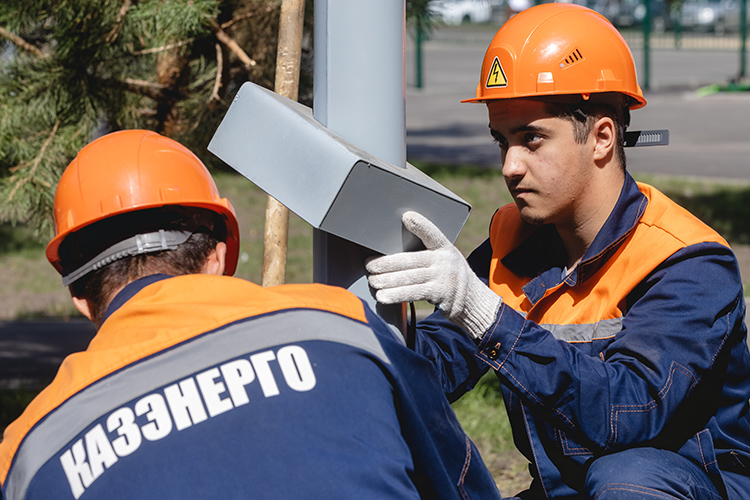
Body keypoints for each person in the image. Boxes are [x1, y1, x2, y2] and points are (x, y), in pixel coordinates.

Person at [366, 3, 750, 499]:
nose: (510, 166)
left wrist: (483, 314)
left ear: (602, 138)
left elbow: (628, 413)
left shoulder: (687, 263)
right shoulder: (518, 242)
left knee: (627, 476)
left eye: (532, 139)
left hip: (674, 487)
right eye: (502, 141)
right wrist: (364, 332)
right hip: (570, 491)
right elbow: (436, 369)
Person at [0, 129, 503, 500]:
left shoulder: (30, 452)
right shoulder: (340, 324)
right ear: (219, 254)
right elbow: (461, 483)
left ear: (79, 297)